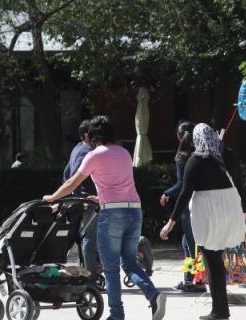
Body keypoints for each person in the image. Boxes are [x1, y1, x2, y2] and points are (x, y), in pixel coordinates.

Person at [43, 115, 166, 320]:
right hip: (134, 211)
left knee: (110, 269)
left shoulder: (94, 155)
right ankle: (154, 295)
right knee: (130, 263)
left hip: (112, 214)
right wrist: (99, 197)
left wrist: (52, 197)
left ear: (92, 136)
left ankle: (116, 315)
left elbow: (72, 182)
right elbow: (120, 185)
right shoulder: (124, 153)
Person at [159, 123, 246, 320]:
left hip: (207, 213)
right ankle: (220, 308)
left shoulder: (195, 160)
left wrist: (170, 222)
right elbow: (239, 183)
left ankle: (219, 311)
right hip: (229, 209)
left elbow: (184, 193)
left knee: (212, 260)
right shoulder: (228, 155)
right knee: (217, 260)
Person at [159, 120, 206, 293]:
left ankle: (195, 282)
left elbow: (181, 184)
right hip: (203, 202)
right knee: (190, 243)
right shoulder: (202, 153)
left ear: (178, 136)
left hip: (189, 205)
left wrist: (167, 193)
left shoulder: (183, 155)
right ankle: (192, 280)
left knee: (191, 244)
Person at [63, 119, 101, 285]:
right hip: (88, 201)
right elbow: (74, 176)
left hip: (83, 200)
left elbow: (66, 173)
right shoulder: (86, 152)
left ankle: (88, 271)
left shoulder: (77, 148)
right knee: (89, 239)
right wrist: (80, 195)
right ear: (87, 135)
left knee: (86, 238)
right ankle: (90, 276)